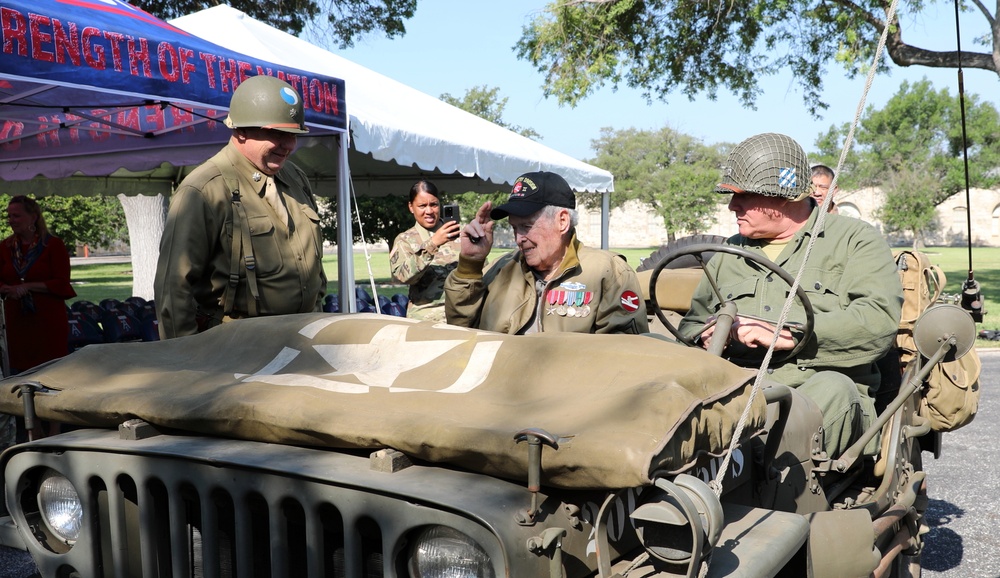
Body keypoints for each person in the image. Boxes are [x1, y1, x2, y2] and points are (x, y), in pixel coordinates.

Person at [678, 133, 902, 459]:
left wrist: (785, 334)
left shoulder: (855, 240)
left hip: (819, 387)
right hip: (733, 388)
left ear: (784, 197)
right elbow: (691, 325)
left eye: (745, 196)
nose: (731, 206)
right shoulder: (728, 252)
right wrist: (708, 333)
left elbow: (877, 322)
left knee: (829, 391)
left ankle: (751, 474)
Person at [154, 75, 327, 339]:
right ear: (241, 131)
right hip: (237, 351)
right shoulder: (204, 189)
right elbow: (173, 291)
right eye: (276, 133)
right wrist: (188, 366)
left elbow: (315, 269)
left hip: (303, 342)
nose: (289, 145)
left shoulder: (296, 180)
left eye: (293, 135)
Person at [445, 171, 648, 334]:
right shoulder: (502, 269)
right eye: (515, 228)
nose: (518, 239)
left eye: (526, 226)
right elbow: (459, 329)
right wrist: (470, 265)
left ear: (562, 221)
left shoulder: (609, 272)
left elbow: (624, 356)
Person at [0, 195, 77, 374]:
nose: (11, 220)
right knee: (19, 373)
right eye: (9, 216)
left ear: (33, 217)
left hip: (47, 321)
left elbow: (61, 282)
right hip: (16, 321)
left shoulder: (53, 245)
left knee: (51, 371)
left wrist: (28, 286)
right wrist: (6, 288)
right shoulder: (5, 247)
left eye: (16, 216)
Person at [389, 180, 461, 322]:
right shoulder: (404, 240)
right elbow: (403, 276)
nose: (429, 211)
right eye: (422, 206)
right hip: (426, 320)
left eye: (433, 204)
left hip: (462, 317)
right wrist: (433, 244)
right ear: (411, 207)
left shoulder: (459, 235)